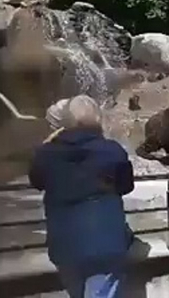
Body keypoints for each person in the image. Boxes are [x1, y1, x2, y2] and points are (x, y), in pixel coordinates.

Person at [29, 95, 135, 298]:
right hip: (105, 243)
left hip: (64, 245)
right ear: (97, 119)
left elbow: (36, 182)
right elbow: (126, 186)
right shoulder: (112, 151)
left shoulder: (45, 153)